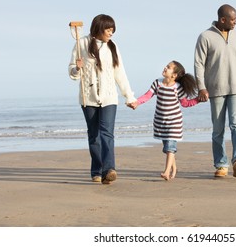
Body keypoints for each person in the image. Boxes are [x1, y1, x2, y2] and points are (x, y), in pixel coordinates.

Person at [68, 14, 136, 184]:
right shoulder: (81, 43)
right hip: (88, 98)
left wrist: (129, 96)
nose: (111, 33)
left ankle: (109, 169)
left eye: (113, 30)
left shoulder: (112, 47)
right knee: (94, 136)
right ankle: (96, 171)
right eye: (108, 29)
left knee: (107, 133)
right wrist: (77, 68)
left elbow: (120, 73)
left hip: (109, 97)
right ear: (99, 28)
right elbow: (72, 73)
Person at [194, 4, 236, 178]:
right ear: (223, 20)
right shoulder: (205, 36)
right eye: (233, 20)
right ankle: (221, 164)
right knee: (218, 129)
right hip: (216, 89)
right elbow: (199, 64)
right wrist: (201, 87)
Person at [128, 61, 199, 180]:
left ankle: (166, 172)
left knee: (170, 146)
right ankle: (174, 168)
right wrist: (137, 102)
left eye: (169, 67)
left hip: (174, 122)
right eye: (166, 66)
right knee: (168, 148)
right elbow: (147, 95)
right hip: (161, 122)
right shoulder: (157, 83)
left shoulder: (178, 88)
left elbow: (185, 103)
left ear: (174, 75)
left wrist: (198, 100)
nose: (165, 68)